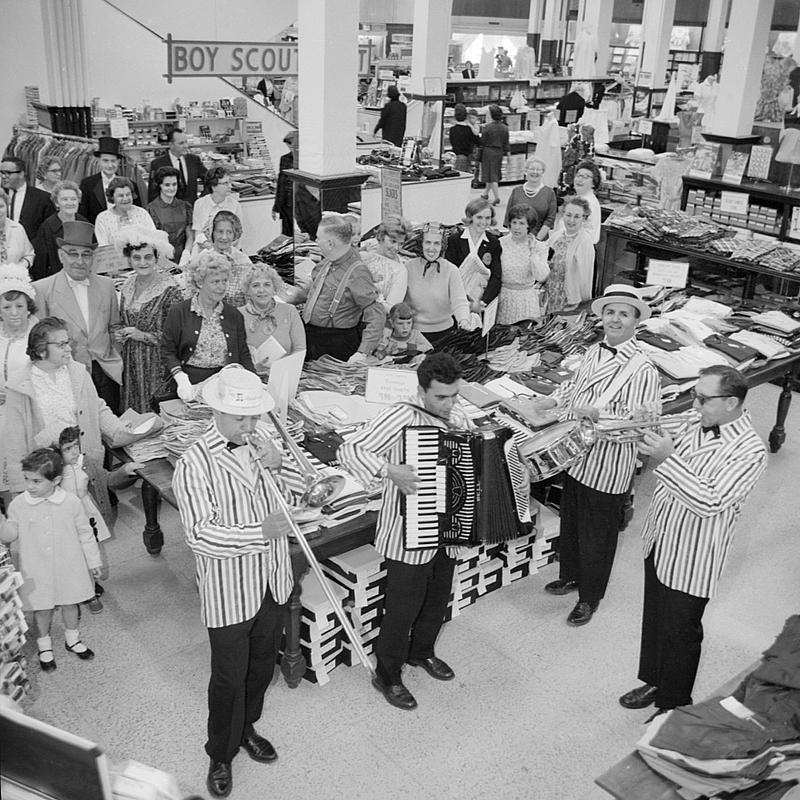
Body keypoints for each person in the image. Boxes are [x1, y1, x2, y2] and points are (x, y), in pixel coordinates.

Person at [172, 365, 304, 798]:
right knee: (228, 677)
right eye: (240, 419)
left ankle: (247, 728)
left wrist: (281, 466)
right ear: (217, 413)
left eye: (254, 417)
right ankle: (220, 752)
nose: (250, 427)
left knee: (260, 666)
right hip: (229, 590)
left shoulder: (265, 446)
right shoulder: (193, 464)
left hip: (271, 581)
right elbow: (200, 535)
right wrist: (259, 532)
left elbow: (300, 495)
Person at [619, 365, 767, 717]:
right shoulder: (696, 419)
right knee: (656, 619)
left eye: (702, 398)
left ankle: (674, 704)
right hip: (661, 536)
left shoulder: (751, 451)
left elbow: (710, 500)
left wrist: (667, 458)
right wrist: (643, 429)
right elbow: (659, 437)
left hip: (693, 553)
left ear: (731, 402)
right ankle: (655, 681)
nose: (694, 404)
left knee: (682, 632)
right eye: (694, 395)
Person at [337, 353, 473, 710]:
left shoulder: (457, 414)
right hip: (408, 530)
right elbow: (348, 448)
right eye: (440, 397)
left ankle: (422, 651)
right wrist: (388, 470)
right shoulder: (400, 415)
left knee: (437, 595)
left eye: (454, 395)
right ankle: (388, 673)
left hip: (450, 526)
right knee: (402, 606)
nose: (449, 404)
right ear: (422, 390)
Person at [534, 284, 661, 626]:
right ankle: (571, 574)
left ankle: (591, 596)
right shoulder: (593, 350)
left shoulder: (644, 370)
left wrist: (597, 416)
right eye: (610, 312)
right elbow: (573, 386)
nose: (615, 319)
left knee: (599, 534)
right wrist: (551, 400)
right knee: (572, 521)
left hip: (609, 462)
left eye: (623, 313)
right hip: (576, 455)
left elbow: (644, 426)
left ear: (636, 321)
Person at [4, 317, 157, 507]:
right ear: (41, 350)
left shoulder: (77, 372)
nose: (69, 348)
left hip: (81, 466)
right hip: (44, 475)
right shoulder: (20, 386)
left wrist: (119, 429)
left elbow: (98, 408)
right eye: (62, 344)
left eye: (68, 342)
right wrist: (22, 489)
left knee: (88, 524)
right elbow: (13, 444)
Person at [1, 447, 102, 672]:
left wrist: (94, 561)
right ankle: (44, 644)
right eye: (27, 479)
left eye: (36, 481)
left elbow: (86, 534)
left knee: (70, 602)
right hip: (36, 567)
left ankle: (72, 638)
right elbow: (10, 535)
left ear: (55, 480)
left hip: (69, 564)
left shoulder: (71, 502)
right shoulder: (19, 504)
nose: (29, 486)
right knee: (42, 607)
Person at [32, 220, 123, 412]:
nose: (80, 261)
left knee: (112, 425)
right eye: (73, 254)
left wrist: (115, 358)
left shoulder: (107, 286)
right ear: (61, 256)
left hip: (106, 372)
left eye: (86, 255)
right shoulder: (43, 289)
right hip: (67, 373)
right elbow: (40, 342)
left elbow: (115, 327)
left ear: (93, 258)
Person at [161, 250, 255, 402]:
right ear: (200, 282)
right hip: (190, 386)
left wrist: (252, 380)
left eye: (225, 281)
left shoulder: (234, 315)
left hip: (225, 386)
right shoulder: (179, 312)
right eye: (215, 282)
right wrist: (180, 376)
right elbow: (167, 350)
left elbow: (243, 353)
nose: (222, 287)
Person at [300, 213, 385, 363]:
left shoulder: (358, 273)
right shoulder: (327, 262)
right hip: (312, 338)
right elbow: (312, 291)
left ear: (330, 243)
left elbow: (376, 314)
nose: (316, 241)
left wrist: (362, 352)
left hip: (337, 345)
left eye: (319, 238)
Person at [114, 226, 182, 413]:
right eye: (137, 258)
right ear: (129, 259)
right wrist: (121, 332)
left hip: (157, 366)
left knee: (154, 414)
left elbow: (177, 337)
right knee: (133, 415)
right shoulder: (127, 284)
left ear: (156, 257)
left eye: (148, 257)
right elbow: (124, 319)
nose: (142, 262)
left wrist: (142, 335)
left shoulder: (170, 289)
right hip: (131, 362)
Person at [0, 265, 38, 502]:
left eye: (19, 306)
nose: (13, 312)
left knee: (31, 476)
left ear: (28, 308)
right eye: (6, 307)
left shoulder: (39, 335)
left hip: (29, 415)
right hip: (2, 419)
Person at [238, 263, 305, 376]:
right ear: (247, 290)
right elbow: (234, 354)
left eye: (267, 285)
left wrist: (283, 370)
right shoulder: (238, 315)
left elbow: (300, 349)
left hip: (285, 376)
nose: (261, 290)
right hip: (250, 377)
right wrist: (251, 368)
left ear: (274, 288)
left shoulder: (289, 311)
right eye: (255, 285)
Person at [443, 197, 502, 310]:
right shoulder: (455, 240)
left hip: (481, 302)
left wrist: (483, 301)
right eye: (479, 217)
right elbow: (449, 272)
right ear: (470, 217)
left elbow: (496, 276)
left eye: (487, 218)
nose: (484, 222)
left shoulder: (493, 242)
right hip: (457, 299)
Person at [497, 204, 550, 325]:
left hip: (526, 300)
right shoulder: (500, 243)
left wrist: (532, 254)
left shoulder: (539, 246)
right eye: (514, 222)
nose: (516, 227)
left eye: (521, 223)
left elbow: (542, 276)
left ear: (529, 226)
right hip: (504, 298)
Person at [546, 195, 595, 314]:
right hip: (551, 294)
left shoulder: (585, 242)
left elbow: (585, 278)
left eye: (577, 216)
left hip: (570, 299)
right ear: (563, 215)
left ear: (584, 218)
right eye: (568, 215)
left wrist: (581, 303)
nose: (571, 220)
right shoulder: (556, 236)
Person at [31, 180, 88, 280]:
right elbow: (40, 263)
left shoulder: (84, 223)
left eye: (73, 199)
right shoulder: (47, 227)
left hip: (81, 278)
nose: (70, 203)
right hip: (55, 280)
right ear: (57, 203)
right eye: (65, 199)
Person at [78, 137, 139, 225]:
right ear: (98, 161)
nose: (110, 165)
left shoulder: (130, 184)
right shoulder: (87, 184)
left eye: (113, 161)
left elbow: (136, 212)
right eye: (105, 161)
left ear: (118, 162)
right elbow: (83, 215)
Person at [360, 215, 411, 310]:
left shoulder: (400, 270)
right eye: (393, 241)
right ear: (381, 237)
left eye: (401, 243)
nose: (396, 248)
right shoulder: (364, 254)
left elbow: (392, 308)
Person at [0, 156, 55, 243]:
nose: (3, 176)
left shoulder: (43, 198)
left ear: (21, 174)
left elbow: (48, 231)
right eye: (1, 172)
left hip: (32, 250)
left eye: (8, 173)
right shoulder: (1, 195)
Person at [147, 166, 194, 263]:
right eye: (167, 185)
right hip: (161, 257)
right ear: (159, 185)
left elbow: (190, 235)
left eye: (174, 184)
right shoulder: (151, 209)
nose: (171, 188)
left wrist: (187, 253)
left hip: (184, 256)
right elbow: (152, 239)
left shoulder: (185, 206)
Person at [147, 128, 206, 205]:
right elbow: (153, 193)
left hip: (192, 208)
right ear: (171, 145)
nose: (186, 146)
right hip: (169, 210)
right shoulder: (157, 164)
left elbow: (209, 179)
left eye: (186, 142)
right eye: (181, 143)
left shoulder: (194, 160)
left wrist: (203, 198)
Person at [503, 157, 557, 239]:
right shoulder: (516, 191)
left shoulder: (550, 193)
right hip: (516, 238)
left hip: (539, 239)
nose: (535, 172)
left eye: (538, 169)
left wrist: (537, 240)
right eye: (532, 169)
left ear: (543, 172)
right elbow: (508, 217)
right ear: (526, 171)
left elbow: (550, 220)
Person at [207, 210, 252, 307]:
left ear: (235, 234)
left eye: (229, 232)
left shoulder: (244, 261)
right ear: (213, 233)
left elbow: (249, 297)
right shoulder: (203, 259)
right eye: (220, 232)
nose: (224, 237)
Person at [94, 176, 156, 247]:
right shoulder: (102, 219)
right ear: (112, 197)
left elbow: (154, 239)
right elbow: (103, 247)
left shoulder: (142, 213)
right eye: (121, 196)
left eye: (128, 194)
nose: (125, 198)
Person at [192, 167, 241, 250]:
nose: (230, 186)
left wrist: (222, 248)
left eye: (229, 182)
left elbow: (237, 235)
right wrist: (209, 246)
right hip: (204, 249)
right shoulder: (200, 204)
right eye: (225, 183)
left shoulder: (235, 205)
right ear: (213, 187)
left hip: (228, 249)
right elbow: (198, 232)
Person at [479, 105, 509, 206]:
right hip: (499, 152)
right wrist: (508, 153)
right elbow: (506, 143)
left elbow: (482, 142)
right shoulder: (505, 128)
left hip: (488, 151)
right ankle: (485, 193)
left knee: (491, 175)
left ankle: (497, 197)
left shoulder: (487, 128)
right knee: (493, 172)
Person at [0, 188, 35, 271]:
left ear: (7, 206)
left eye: (1, 206)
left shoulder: (17, 228)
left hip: (15, 279)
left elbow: (29, 255)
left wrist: (18, 269)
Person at [570, 160, 602, 245]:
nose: (580, 179)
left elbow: (573, 229)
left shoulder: (588, 203)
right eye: (578, 175)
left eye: (585, 177)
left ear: (593, 183)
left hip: (582, 249)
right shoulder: (581, 198)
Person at [272, 130, 297, 237]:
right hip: (287, 205)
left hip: (302, 205)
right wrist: (276, 207)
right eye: (289, 146)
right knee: (286, 236)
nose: (291, 149)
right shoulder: (285, 159)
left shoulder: (307, 160)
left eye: (292, 146)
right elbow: (281, 184)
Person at [448, 104, 481, 175]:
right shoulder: (469, 129)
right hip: (468, 157)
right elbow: (479, 142)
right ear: (466, 116)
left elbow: (452, 142)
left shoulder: (452, 130)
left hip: (456, 157)